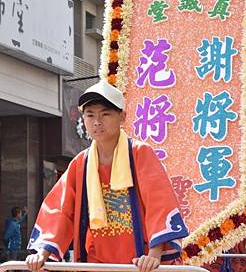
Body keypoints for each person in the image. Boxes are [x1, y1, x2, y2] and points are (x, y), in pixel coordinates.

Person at [26, 80, 188, 272]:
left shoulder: (139, 153)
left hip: (138, 263)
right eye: (90, 115)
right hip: (96, 262)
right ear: (83, 120)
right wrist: (42, 253)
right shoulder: (81, 162)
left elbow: (159, 203)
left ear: (122, 116)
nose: (97, 122)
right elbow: (60, 209)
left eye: (105, 114)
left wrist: (153, 256)